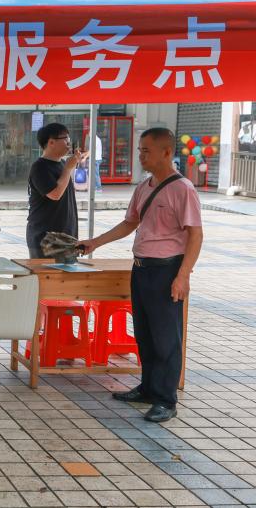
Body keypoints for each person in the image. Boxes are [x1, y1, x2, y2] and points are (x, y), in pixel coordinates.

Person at [79, 128, 203, 423]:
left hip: (166, 270)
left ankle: (165, 400)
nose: (141, 155)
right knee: (144, 334)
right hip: (141, 269)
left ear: (166, 152)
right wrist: (95, 242)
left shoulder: (183, 189)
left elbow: (196, 235)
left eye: (146, 150)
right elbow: (130, 223)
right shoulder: (144, 187)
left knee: (166, 338)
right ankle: (148, 388)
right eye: (139, 150)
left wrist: (183, 276)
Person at [26, 123, 86, 258]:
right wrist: (68, 169)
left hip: (65, 236)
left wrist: (69, 167)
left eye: (69, 139)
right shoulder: (40, 167)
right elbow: (55, 194)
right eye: (65, 139)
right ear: (51, 142)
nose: (69, 143)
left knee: (68, 271)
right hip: (46, 239)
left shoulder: (62, 164)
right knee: (47, 272)